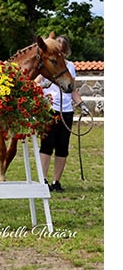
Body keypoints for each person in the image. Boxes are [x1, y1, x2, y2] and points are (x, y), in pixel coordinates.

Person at [37, 35, 81, 192]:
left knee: (63, 147)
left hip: (66, 110)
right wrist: (46, 84)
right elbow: (37, 83)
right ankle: (43, 179)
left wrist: (81, 104)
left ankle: (57, 181)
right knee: (47, 145)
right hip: (50, 109)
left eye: (62, 49)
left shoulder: (70, 67)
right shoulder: (50, 64)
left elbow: (73, 88)